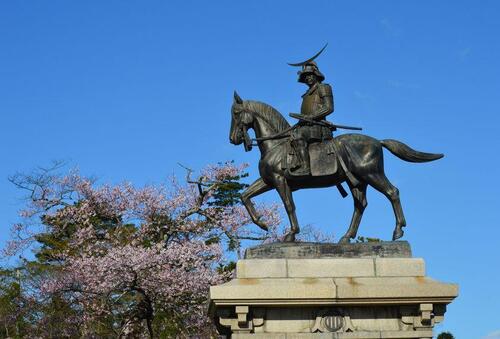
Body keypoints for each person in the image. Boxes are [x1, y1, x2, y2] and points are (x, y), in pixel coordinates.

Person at [289, 61, 334, 175]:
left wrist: (310, 117)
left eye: (310, 75)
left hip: (318, 127)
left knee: (298, 136)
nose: (308, 78)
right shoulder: (306, 95)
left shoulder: (323, 87)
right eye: (305, 76)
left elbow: (329, 107)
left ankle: (305, 167)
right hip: (307, 126)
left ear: (316, 75)